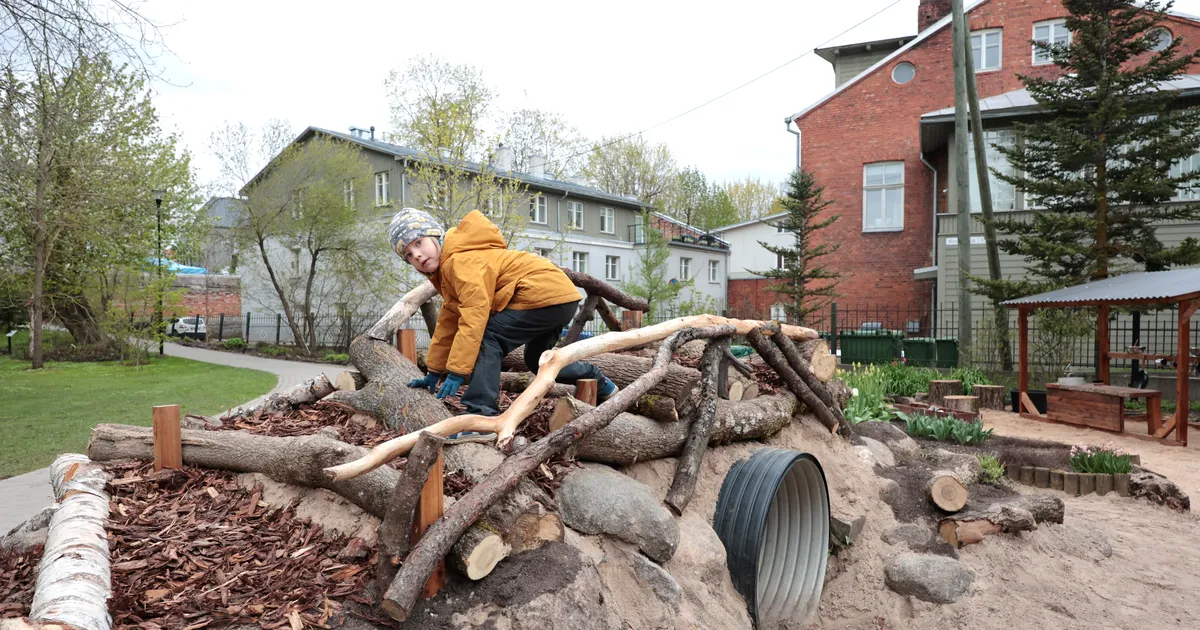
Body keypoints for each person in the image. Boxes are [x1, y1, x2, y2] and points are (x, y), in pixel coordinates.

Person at [390, 207, 617, 442]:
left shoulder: (459, 260)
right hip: (560, 298)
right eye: (409, 255)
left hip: (540, 293)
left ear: (435, 235)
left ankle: (481, 415)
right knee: (538, 359)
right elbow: (449, 320)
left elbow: (473, 317)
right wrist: (434, 370)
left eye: (419, 243)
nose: (417, 255)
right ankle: (597, 380)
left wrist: (457, 371)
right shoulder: (450, 268)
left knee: (487, 337)